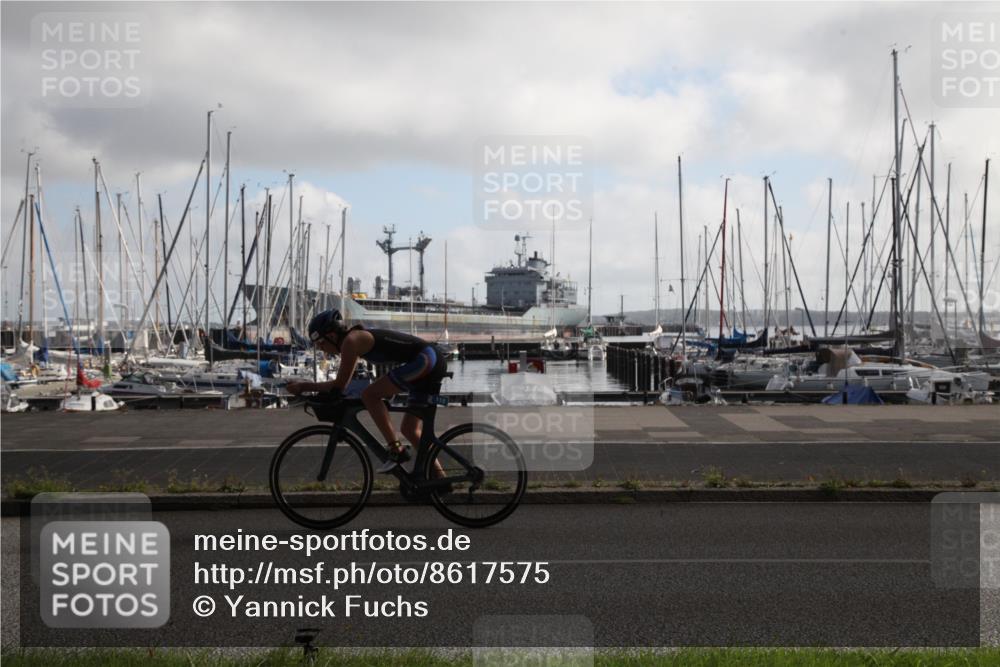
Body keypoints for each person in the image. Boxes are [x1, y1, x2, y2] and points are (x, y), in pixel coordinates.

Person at [286, 310, 448, 475]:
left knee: (369, 395)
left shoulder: (351, 341)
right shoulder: (352, 340)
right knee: (409, 430)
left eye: (320, 342)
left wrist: (303, 386)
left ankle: (396, 450)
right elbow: (341, 385)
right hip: (429, 360)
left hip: (426, 360)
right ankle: (440, 478)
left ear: (332, 336)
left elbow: (340, 384)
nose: (320, 348)